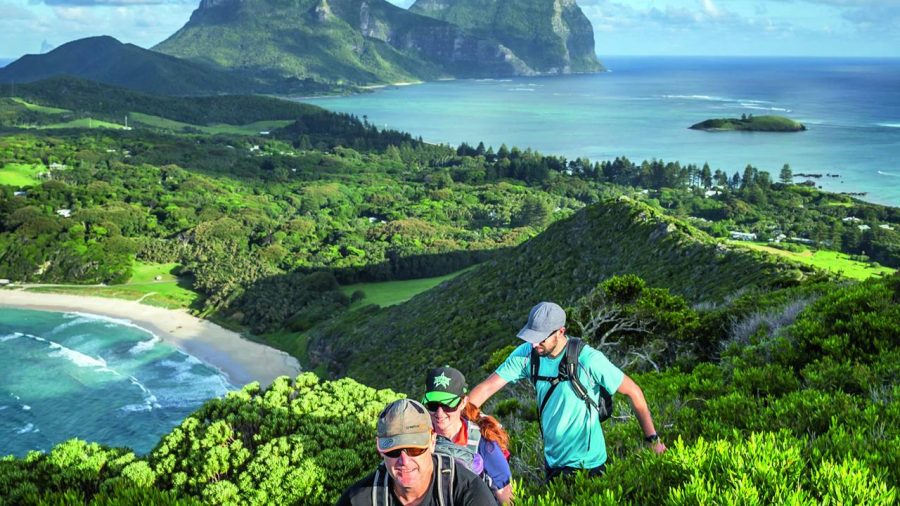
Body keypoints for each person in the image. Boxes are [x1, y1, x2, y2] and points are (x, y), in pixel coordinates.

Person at [468, 301, 667, 481]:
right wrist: (458, 415)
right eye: (531, 337)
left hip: (589, 466)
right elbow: (488, 386)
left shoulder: (588, 360)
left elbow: (634, 391)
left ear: (561, 332)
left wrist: (652, 440)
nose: (534, 343)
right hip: (552, 463)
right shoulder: (528, 355)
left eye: (540, 338)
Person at [335, 398, 497, 506]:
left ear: (432, 442)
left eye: (415, 449)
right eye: (394, 451)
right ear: (380, 448)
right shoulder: (358, 499)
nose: (404, 460)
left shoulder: (468, 492)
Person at [422, 366, 513, 504]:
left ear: (463, 402)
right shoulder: (419, 438)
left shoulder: (484, 444)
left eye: (448, 405)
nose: (440, 413)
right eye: (433, 405)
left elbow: (505, 495)